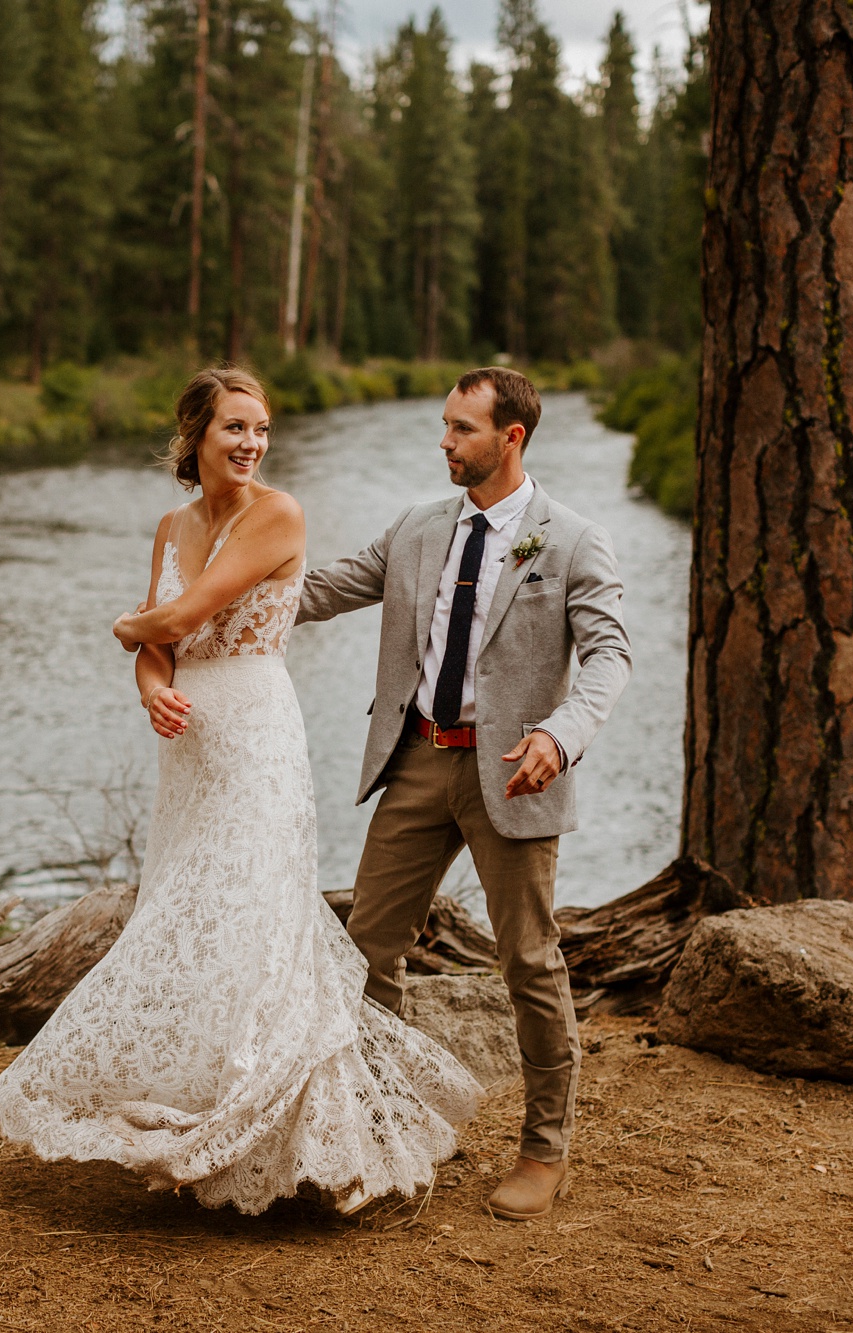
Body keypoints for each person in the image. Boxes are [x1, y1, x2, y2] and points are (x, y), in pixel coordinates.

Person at [0, 367, 481, 1215]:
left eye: (261, 430)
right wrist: (149, 689)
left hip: (254, 734)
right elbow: (159, 651)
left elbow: (170, 621)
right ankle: (200, 1103)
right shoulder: (172, 525)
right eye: (233, 429)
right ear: (195, 438)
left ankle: (276, 1125)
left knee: (254, 913)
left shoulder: (278, 513)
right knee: (186, 910)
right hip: (188, 749)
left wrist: (126, 627)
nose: (250, 444)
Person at [298, 366, 631, 1221]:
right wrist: (211, 603)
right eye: (445, 426)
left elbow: (610, 656)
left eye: (461, 429)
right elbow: (326, 588)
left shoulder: (572, 541)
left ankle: (544, 1150)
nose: (443, 442)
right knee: (365, 948)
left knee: (527, 959)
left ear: (510, 437)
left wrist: (560, 736)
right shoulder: (415, 529)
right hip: (414, 761)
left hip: (514, 774)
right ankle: (382, 1123)